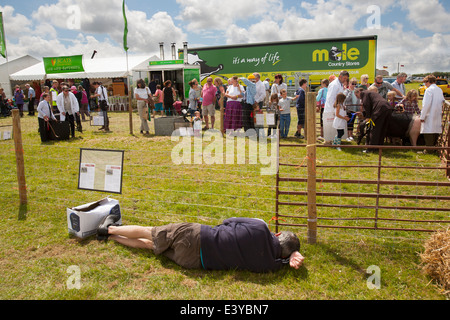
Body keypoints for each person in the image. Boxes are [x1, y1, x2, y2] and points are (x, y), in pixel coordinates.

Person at [96, 215, 305, 273]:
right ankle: (113, 238)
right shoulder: (269, 265)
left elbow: (228, 222)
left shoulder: (261, 227)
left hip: (199, 236)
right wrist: (291, 257)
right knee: (151, 246)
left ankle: (109, 229)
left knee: (151, 232)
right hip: (196, 262)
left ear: (277, 233)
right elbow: (282, 263)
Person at [323, 71, 349, 144]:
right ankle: (329, 141)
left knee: (336, 127)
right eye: (344, 78)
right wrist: (335, 109)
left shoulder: (340, 84)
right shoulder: (334, 84)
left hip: (337, 108)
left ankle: (336, 140)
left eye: (346, 79)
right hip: (331, 109)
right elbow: (330, 98)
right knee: (331, 127)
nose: (345, 80)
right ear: (340, 76)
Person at [420, 74, 445, 150]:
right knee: (435, 129)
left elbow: (426, 104)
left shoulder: (429, 90)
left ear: (428, 81)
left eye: (425, 82)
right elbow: (442, 101)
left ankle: (429, 149)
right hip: (437, 112)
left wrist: (422, 116)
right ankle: (434, 147)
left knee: (429, 130)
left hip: (429, 113)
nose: (425, 84)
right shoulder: (439, 89)